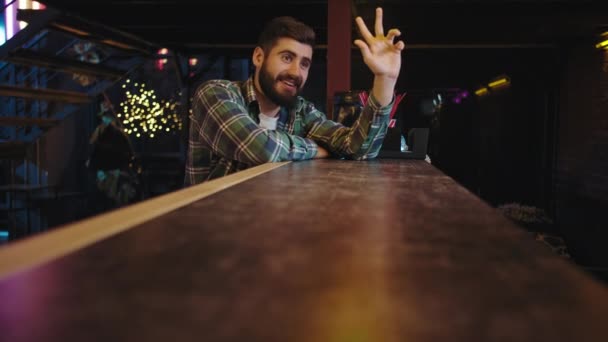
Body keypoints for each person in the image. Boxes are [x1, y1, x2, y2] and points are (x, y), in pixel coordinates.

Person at [185, 7, 404, 185]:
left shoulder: (300, 111)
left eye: (304, 64)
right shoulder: (216, 93)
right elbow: (260, 147)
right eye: (287, 58)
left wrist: (385, 79)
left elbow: (358, 148)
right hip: (207, 227)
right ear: (259, 57)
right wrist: (316, 149)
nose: (296, 72)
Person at [87, 99, 139, 209]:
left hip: (113, 170)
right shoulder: (101, 131)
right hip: (106, 170)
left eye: (106, 116)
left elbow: (124, 152)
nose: (104, 119)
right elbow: (95, 148)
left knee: (114, 200)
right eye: (103, 116)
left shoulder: (115, 133)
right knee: (106, 200)